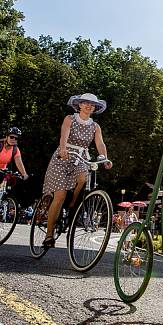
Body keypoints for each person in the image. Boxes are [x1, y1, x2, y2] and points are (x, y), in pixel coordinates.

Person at [42, 93, 112, 249]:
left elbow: (100, 144)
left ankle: (73, 203)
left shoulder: (95, 126)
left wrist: (105, 158)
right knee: (59, 196)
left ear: (95, 108)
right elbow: (64, 135)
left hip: (80, 157)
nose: (89, 106)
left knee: (83, 178)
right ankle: (49, 235)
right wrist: (63, 148)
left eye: (92, 104)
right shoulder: (70, 119)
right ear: (79, 105)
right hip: (63, 156)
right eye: (86, 103)